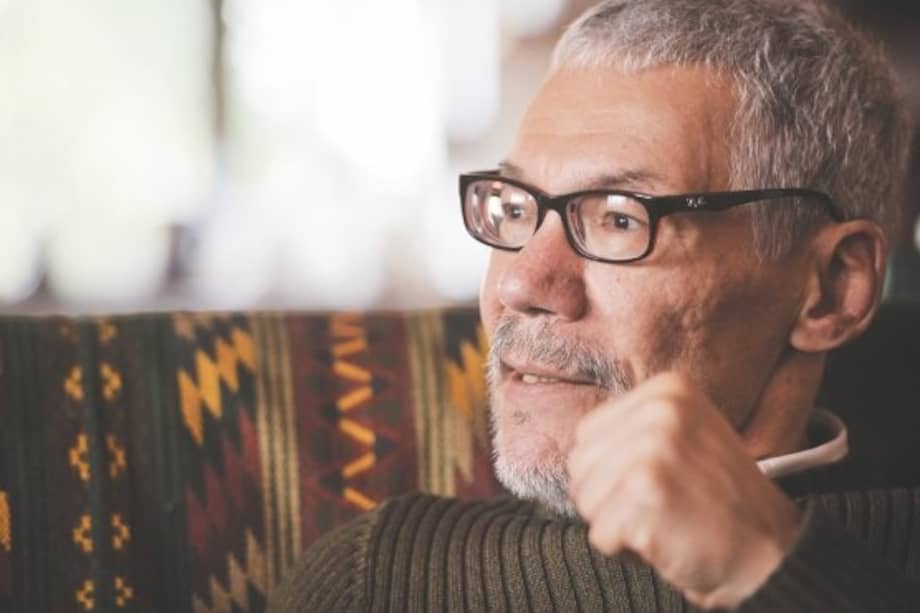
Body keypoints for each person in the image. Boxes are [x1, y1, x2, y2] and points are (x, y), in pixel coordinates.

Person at [269, 0, 918, 610]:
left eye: (617, 218)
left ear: (832, 288)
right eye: (515, 208)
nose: (519, 285)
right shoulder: (378, 576)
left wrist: (770, 568)